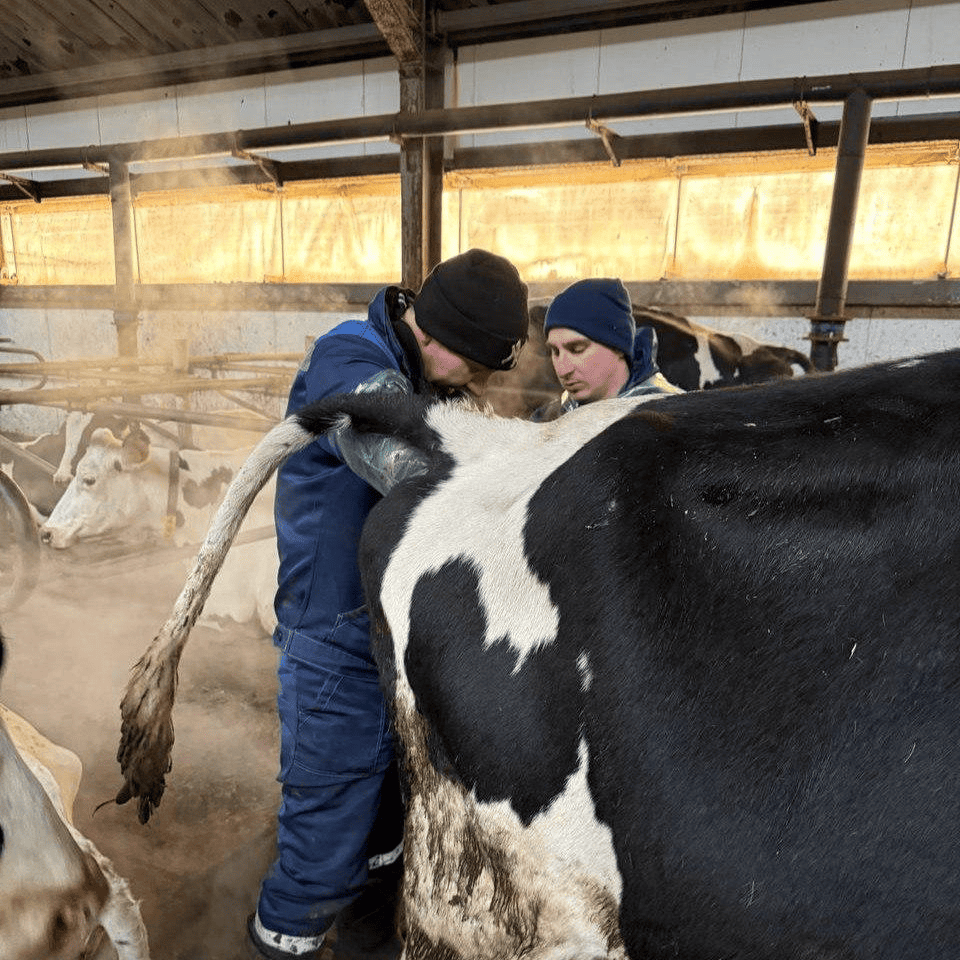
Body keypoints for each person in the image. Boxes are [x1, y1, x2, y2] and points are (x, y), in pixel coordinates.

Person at [246, 249, 530, 960]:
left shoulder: (426, 376)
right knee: (321, 847)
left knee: (386, 832)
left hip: (398, 645)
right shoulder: (348, 358)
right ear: (440, 335)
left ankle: (367, 943)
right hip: (334, 644)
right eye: (476, 366)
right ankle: (282, 943)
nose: (479, 385)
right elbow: (396, 457)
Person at [531, 277, 681, 421]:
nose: (563, 370)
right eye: (555, 351)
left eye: (577, 349)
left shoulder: (675, 418)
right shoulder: (546, 420)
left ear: (619, 347)